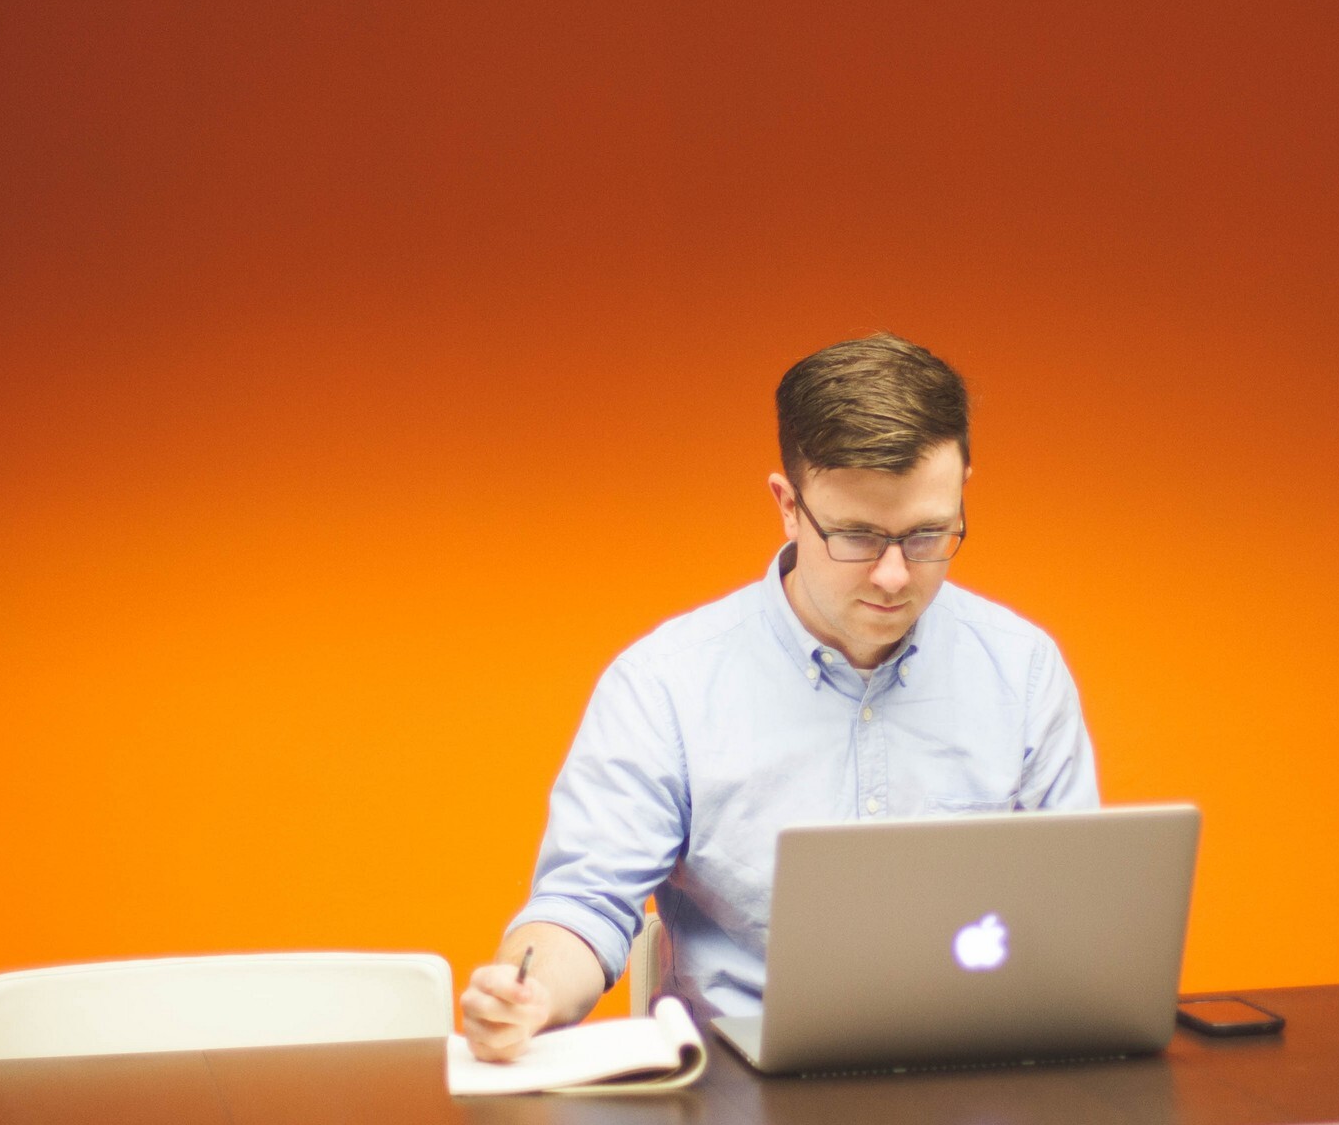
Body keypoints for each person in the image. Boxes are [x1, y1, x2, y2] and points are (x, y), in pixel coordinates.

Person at [460, 333, 1099, 1060]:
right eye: (857, 536)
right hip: (740, 1094)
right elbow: (583, 905)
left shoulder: (1021, 669)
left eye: (926, 535)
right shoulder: (666, 684)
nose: (894, 576)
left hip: (976, 1074)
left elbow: (1077, 918)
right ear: (788, 505)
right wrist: (529, 992)